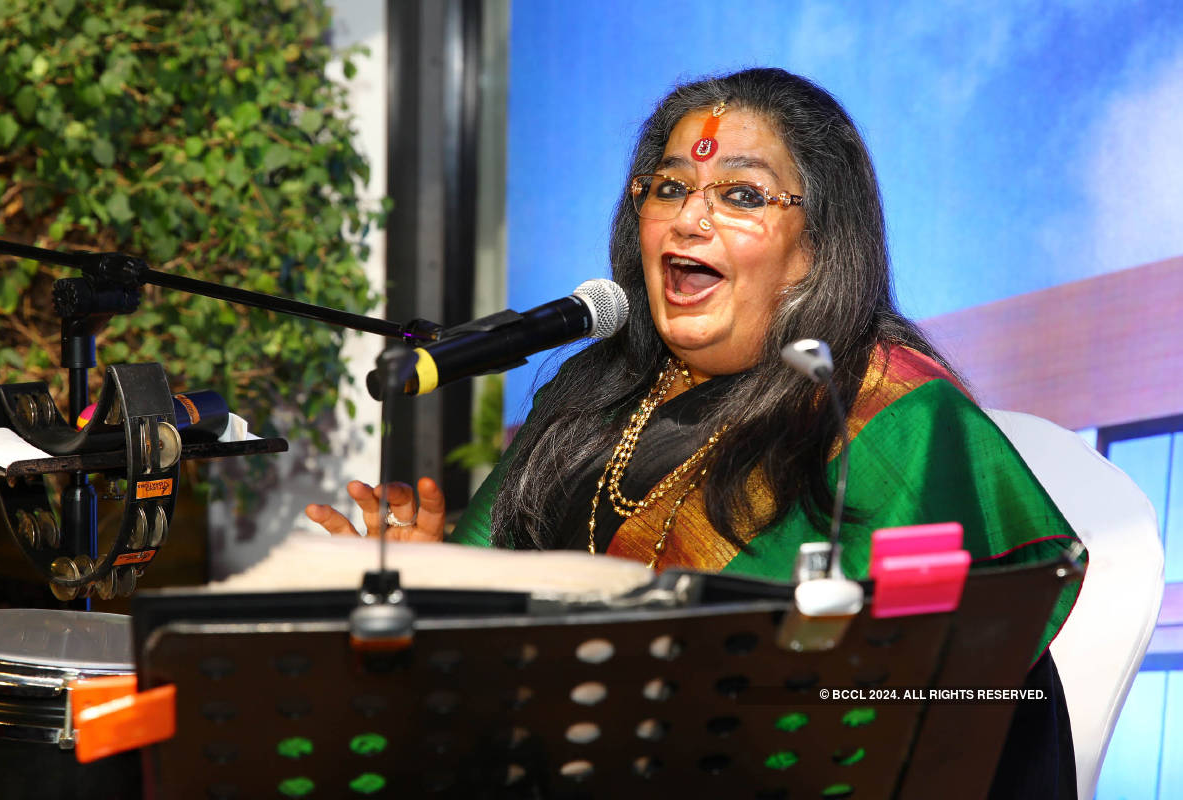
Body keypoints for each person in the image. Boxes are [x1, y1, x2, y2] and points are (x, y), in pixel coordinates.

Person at [306, 67, 1083, 798]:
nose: (689, 216)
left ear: (816, 247)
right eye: (670, 187)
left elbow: (924, 714)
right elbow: (494, 631)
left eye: (742, 194)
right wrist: (437, 585)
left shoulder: (892, 420)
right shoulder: (594, 397)